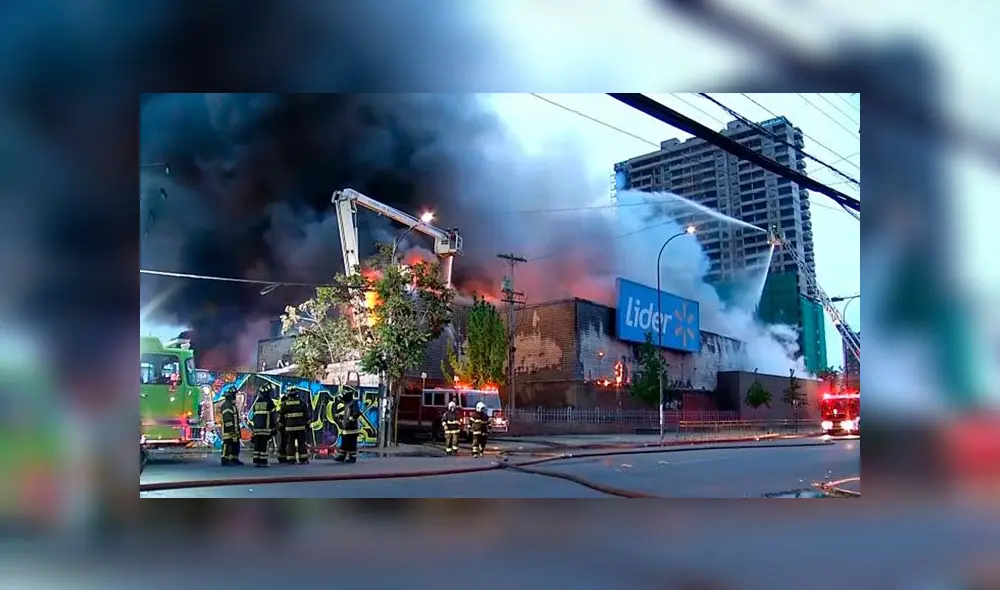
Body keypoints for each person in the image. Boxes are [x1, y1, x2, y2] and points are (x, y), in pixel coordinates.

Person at [250, 382, 277, 467]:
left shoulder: (257, 403)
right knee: (263, 445)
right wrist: (273, 427)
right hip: (265, 428)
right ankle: (263, 461)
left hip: (257, 428)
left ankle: (256, 460)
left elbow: (254, 416)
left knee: (257, 445)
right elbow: (273, 416)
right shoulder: (270, 403)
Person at [281, 387, 309, 464]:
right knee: (302, 443)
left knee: (290, 443)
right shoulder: (302, 403)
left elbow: (281, 418)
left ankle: (291, 459)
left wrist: (281, 427)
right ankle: (303, 459)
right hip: (301, 428)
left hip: (289, 428)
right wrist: (308, 425)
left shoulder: (285, 405)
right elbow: (307, 416)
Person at [332, 389, 361, 463]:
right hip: (347, 428)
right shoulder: (348, 404)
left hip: (352, 429)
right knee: (345, 443)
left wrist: (351, 420)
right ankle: (342, 456)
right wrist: (341, 416)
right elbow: (348, 414)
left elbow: (357, 413)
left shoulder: (353, 403)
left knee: (351, 444)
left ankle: (352, 457)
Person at [219, 388, 243, 466]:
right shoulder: (227, 406)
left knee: (235, 444)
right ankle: (225, 459)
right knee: (228, 444)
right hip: (228, 431)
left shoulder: (231, 405)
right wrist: (232, 431)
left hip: (234, 430)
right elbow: (228, 420)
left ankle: (234, 459)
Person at [274, 389, 290, 464]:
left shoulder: (281, 409)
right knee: (284, 442)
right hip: (284, 428)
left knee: (283, 442)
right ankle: (283, 456)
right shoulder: (284, 409)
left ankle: (281, 456)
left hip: (282, 428)